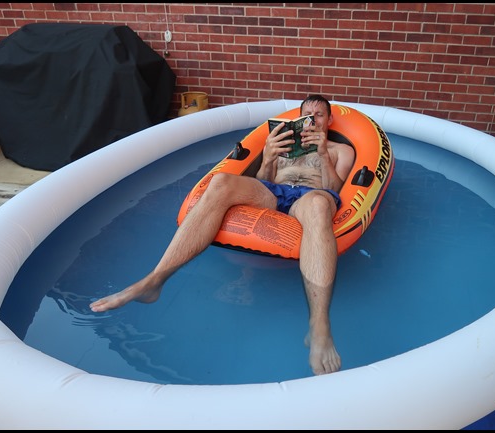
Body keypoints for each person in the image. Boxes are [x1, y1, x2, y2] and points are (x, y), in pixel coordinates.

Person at [90, 95, 356, 375]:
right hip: (274, 193)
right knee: (220, 182)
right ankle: (154, 280)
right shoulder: (285, 143)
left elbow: (336, 190)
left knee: (318, 205)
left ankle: (319, 324)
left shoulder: (340, 151)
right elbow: (262, 182)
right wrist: (268, 156)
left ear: (329, 120)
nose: (312, 120)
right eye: (307, 114)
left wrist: (323, 154)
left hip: (310, 196)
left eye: (319, 115)